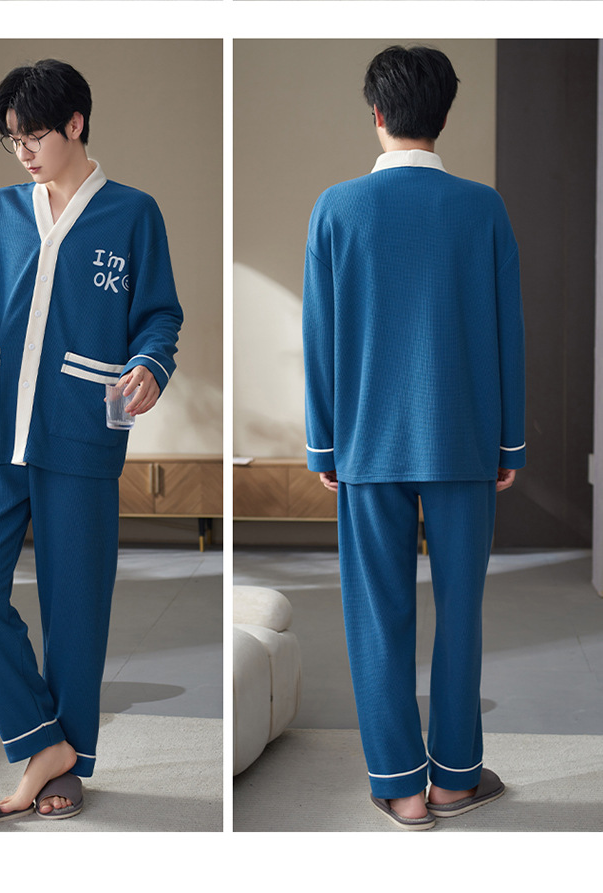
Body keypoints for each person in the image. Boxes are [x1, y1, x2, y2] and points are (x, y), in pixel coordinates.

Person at [0, 59, 183, 831]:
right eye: (12, 140)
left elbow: (159, 312)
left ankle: (68, 764)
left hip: (82, 432)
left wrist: (149, 364)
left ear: (75, 125)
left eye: (34, 136)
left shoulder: (132, 214)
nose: (23, 151)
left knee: (76, 608)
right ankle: (40, 739)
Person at [302, 45, 525, 831]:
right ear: (443, 115)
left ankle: (401, 786)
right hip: (464, 440)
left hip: (366, 445)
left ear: (377, 113)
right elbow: (508, 333)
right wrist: (509, 445)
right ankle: (457, 779)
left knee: (377, 615)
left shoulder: (335, 209)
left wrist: (323, 446)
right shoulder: (483, 208)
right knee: (462, 612)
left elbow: (320, 337)